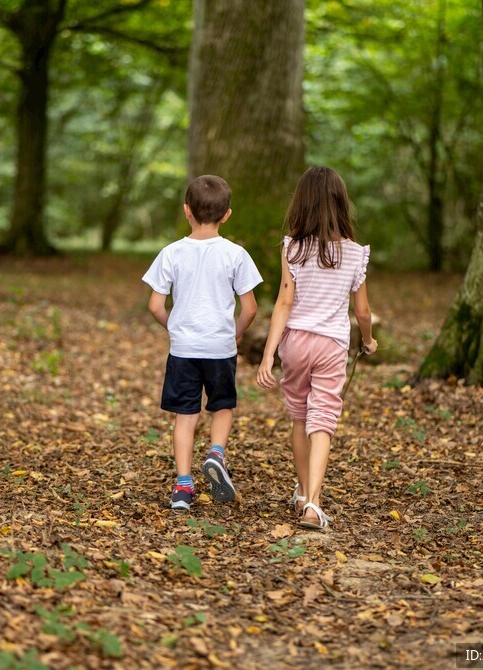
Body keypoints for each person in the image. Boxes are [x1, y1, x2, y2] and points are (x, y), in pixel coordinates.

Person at [256, 166, 377, 530]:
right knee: (321, 420)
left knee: (298, 416)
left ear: (302, 203)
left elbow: (283, 303)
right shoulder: (355, 254)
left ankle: (302, 491)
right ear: (341, 204)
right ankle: (313, 503)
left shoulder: (292, 247)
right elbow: (363, 311)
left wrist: (267, 354)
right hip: (331, 345)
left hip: (294, 344)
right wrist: (368, 340)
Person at [143, 175, 262, 511]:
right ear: (227, 215)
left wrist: (174, 327)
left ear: (186, 211)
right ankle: (216, 454)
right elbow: (250, 308)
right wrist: (235, 332)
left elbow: (154, 305)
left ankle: (182, 488)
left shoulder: (171, 253)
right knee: (222, 405)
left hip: (183, 349)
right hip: (220, 347)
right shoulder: (236, 254)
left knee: (185, 414)